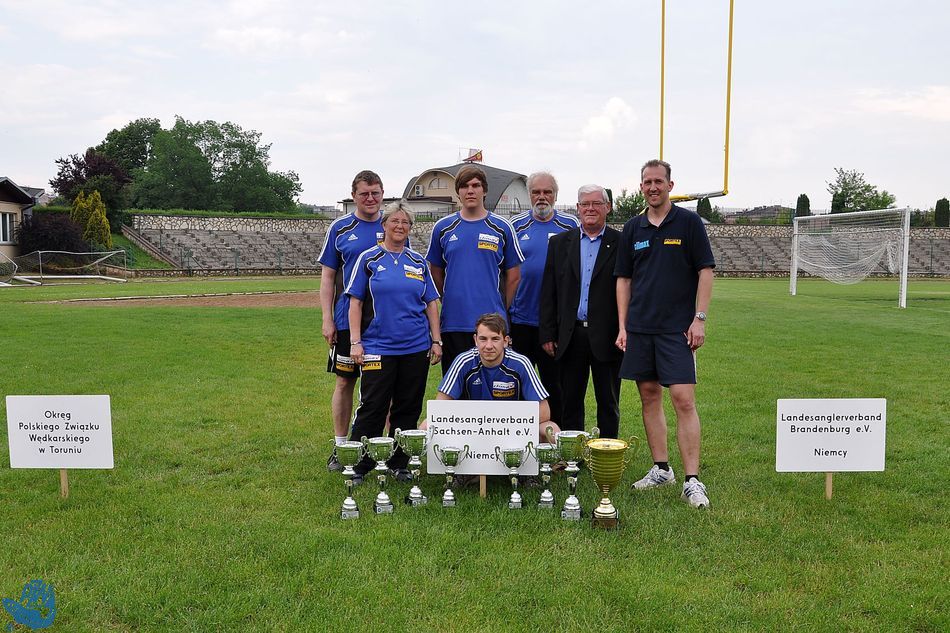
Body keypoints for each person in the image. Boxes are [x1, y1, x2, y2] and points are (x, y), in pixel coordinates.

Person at [614, 159, 715, 509]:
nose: (653, 187)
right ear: (641, 186)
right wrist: (623, 326)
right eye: (647, 182)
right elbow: (624, 279)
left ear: (670, 185)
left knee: (684, 400)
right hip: (641, 328)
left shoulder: (688, 222)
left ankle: (692, 480)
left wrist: (699, 319)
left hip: (677, 329)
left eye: (658, 181)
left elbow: (705, 271)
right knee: (649, 397)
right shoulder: (633, 227)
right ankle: (661, 469)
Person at [345, 201, 442, 482]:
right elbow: (355, 303)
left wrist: (436, 340)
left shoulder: (418, 262)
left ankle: (400, 463)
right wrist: (355, 342)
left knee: (408, 406)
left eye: (405, 222)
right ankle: (360, 463)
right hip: (378, 347)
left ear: (410, 228)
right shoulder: (369, 259)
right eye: (395, 221)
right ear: (384, 224)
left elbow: (431, 303)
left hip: (416, 347)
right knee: (373, 406)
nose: (400, 226)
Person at [538, 184, 622, 438]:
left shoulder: (620, 242)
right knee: (570, 400)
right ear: (577, 208)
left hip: (607, 335)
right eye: (585, 204)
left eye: (597, 203)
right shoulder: (560, 243)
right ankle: (573, 452)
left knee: (608, 401)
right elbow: (549, 291)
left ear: (608, 207)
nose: (590, 209)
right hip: (571, 335)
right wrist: (548, 333)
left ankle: (607, 450)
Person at [319, 170, 386, 472]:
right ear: (354, 196)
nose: (370, 199)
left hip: (384, 321)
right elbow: (328, 277)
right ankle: (341, 445)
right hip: (347, 319)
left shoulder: (392, 223)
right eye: (364, 194)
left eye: (375, 193)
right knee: (345, 380)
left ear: (382, 193)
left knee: (384, 385)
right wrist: (327, 318)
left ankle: (383, 447)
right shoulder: (341, 228)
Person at [426, 165, 523, 372]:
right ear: (458, 192)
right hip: (454, 322)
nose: (470, 191)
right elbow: (435, 273)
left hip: (492, 325)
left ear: (484, 190)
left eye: (476, 185)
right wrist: (451, 298)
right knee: (456, 384)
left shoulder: (502, 227)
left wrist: (499, 305)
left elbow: (514, 276)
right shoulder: (442, 228)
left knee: (493, 383)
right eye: (464, 186)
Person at [424, 313, 560, 444]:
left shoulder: (520, 363)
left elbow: (544, 412)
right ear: (475, 340)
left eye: (495, 339)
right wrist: (479, 426)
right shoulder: (463, 361)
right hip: (471, 430)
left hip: (512, 430)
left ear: (505, 341)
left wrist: (500, 426)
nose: (489, 346)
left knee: (550, 429)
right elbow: (439, 408)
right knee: (426, 425)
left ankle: (557, 459)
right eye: (483, 339)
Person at [509, 171, 579, 425]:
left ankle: (557, 439)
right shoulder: (515, 226)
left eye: (547, 192)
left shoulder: (571, 225)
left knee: (556, 386)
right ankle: (519, 437)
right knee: (517, 385)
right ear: (529, 195)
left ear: (555, 195)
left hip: (556, 324)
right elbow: (504, 271)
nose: (541, 197)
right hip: (521, 320)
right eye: (536, 192)